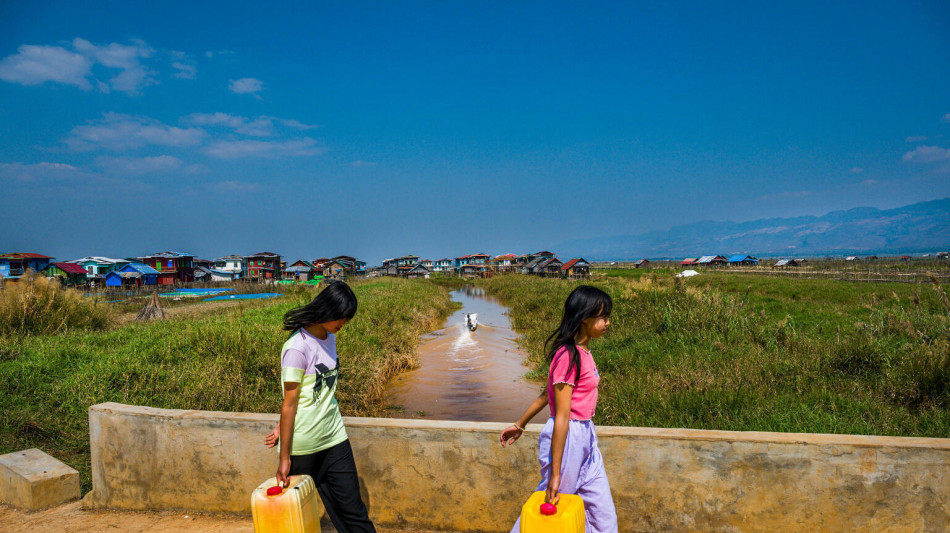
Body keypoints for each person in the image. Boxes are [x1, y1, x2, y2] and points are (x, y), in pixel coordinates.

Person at [499, 285, 618, 533]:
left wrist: (520, 424)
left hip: (586, 435)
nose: (608, 323)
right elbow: (562, 416)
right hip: (568, 439)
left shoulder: (584, 352)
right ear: (585, 318)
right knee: (550, 503)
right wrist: (556, 472)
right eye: (603, 317)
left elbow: (546, 394)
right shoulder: (568, 354)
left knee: (603, 515)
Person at [263, 280, 376, 533]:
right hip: (304, 446)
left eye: (346, 320)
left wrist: (280, 425)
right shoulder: (296, 347)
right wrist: (284, 458)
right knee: (295, 518)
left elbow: (317, 393)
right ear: (327, 310)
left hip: (335, 438)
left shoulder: (330, 337)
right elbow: (290, 402)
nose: (342, 325)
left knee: (354, 513)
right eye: (341, 318)